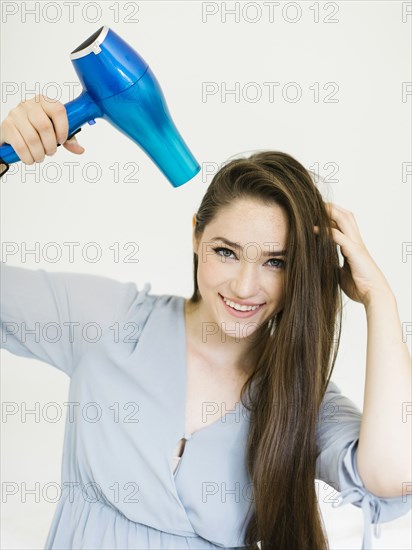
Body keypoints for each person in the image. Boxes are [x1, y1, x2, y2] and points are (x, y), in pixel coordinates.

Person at [0, 95, 411, 550]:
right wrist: (2, 150)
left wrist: (380, 299)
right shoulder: (107, 320)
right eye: (226, 251)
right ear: (196, 235)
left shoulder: (300, 394)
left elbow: (395, 477)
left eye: (276, 261)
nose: (244, 286)